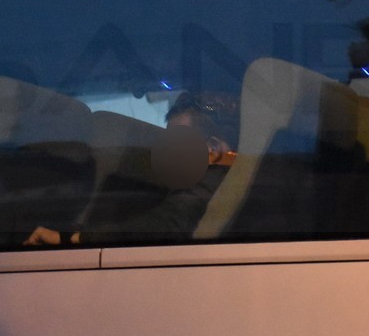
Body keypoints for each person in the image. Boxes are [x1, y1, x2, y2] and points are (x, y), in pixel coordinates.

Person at [23, 92, 235, 246]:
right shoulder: (216, 181)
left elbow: (163, 225)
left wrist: (72, 239)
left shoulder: (213, 183)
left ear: (213, 148)